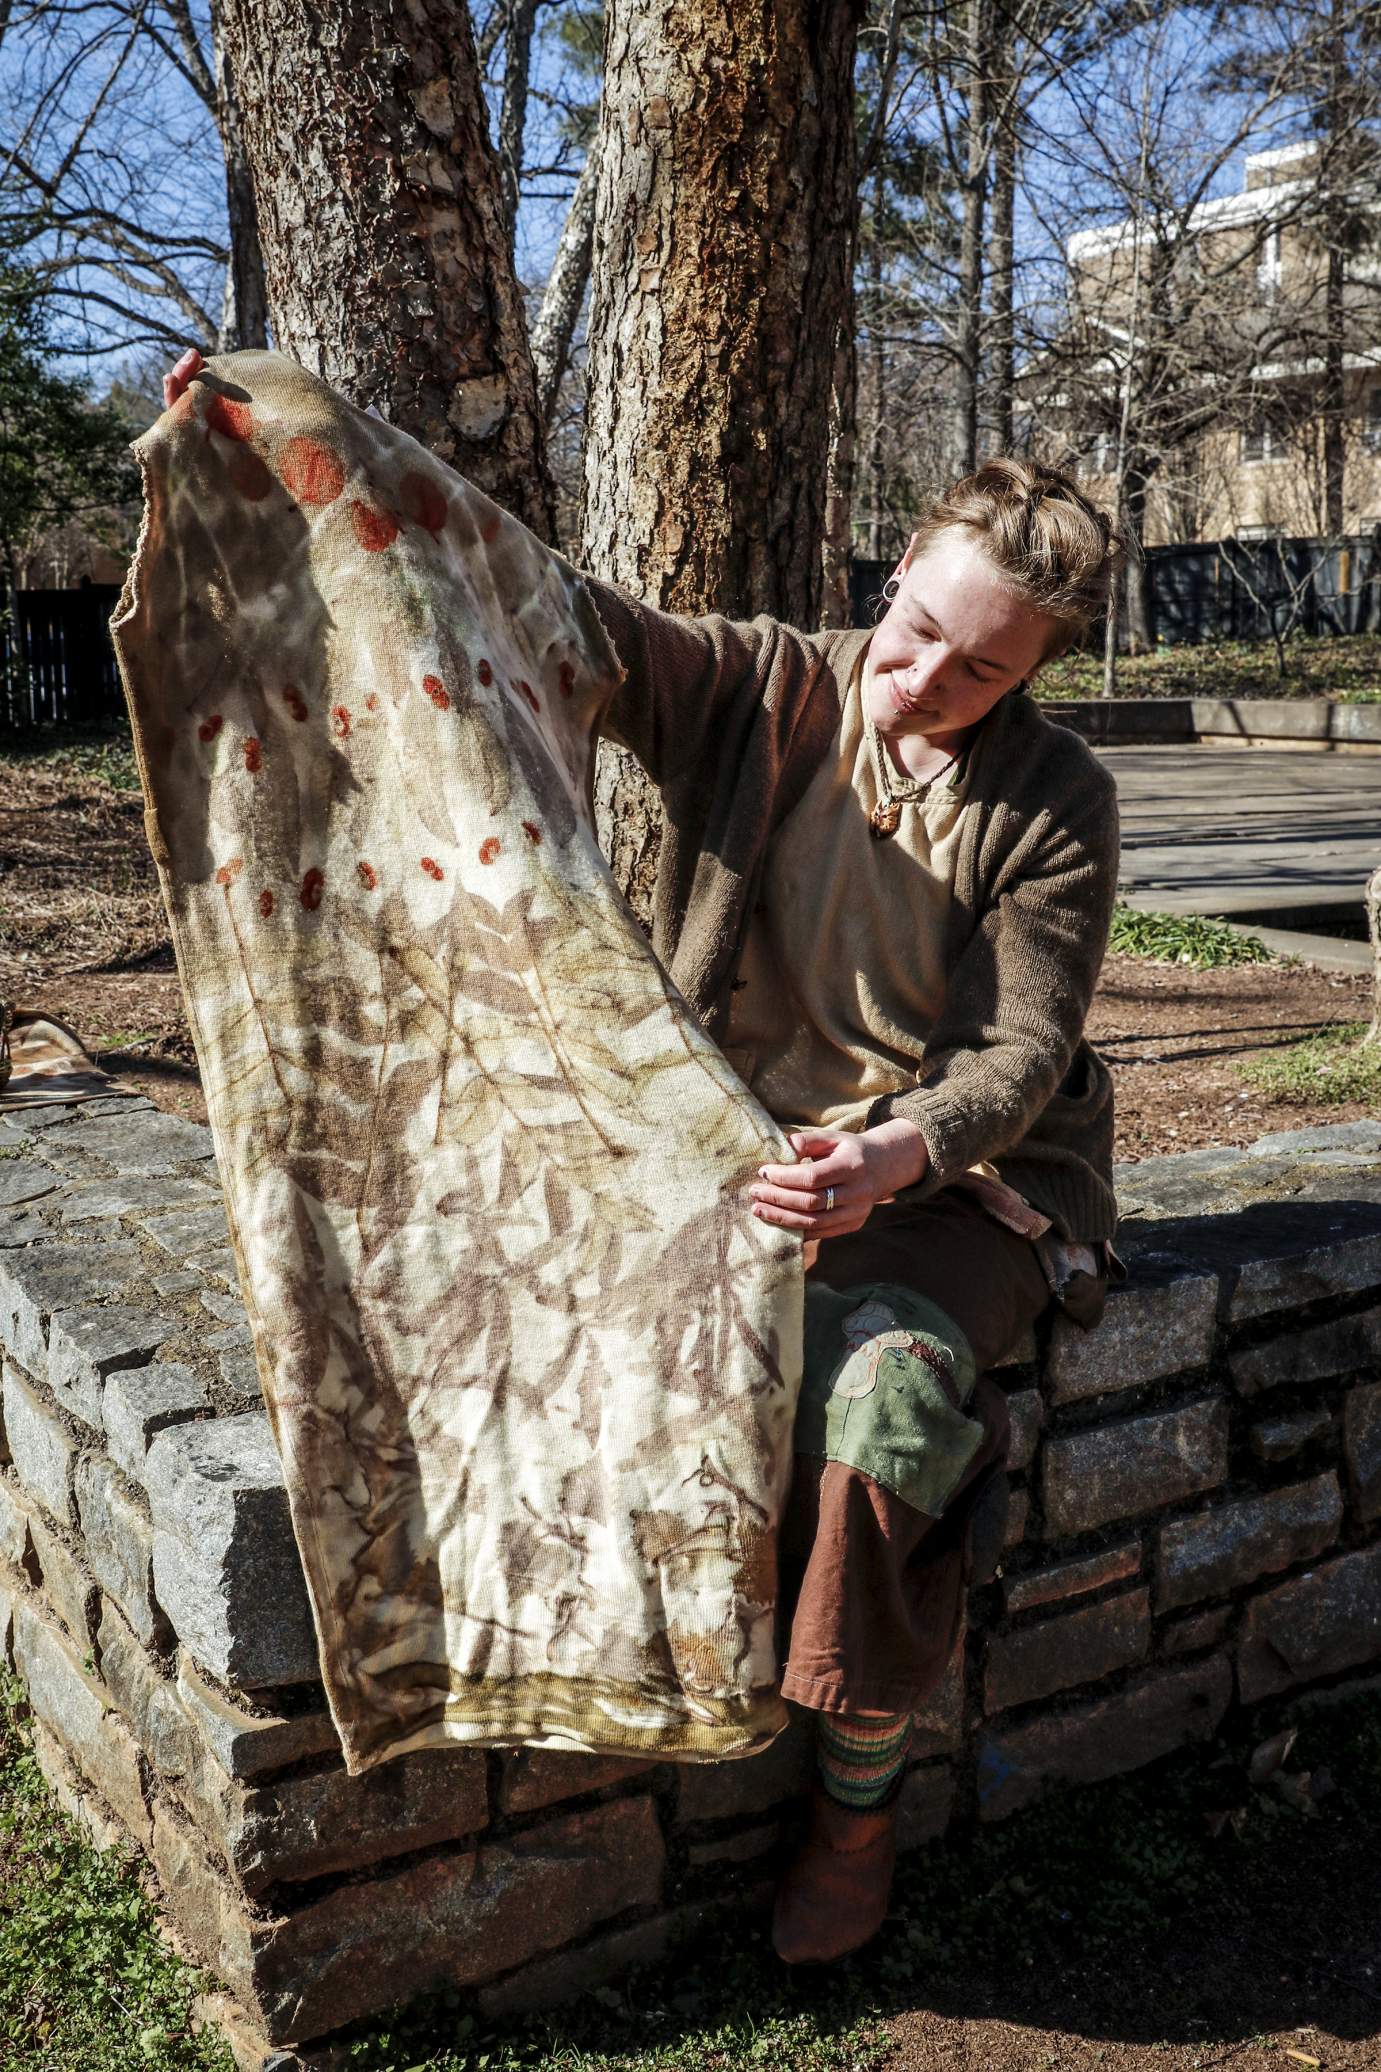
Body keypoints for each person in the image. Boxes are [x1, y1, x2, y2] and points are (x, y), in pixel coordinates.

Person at [161, 347, 1124, 1966]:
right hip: (720, 1148)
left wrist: (893, 1154)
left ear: (1031, 672)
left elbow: (1019, 1054)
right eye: (913, 634)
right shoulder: (760, 684)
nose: (920, 684)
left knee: (883, 1409)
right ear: (895, 569)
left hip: (953, 1184)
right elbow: (537, 598)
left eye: (976, 672)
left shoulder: (1054, 798)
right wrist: (305, 433)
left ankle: (854, 1804)